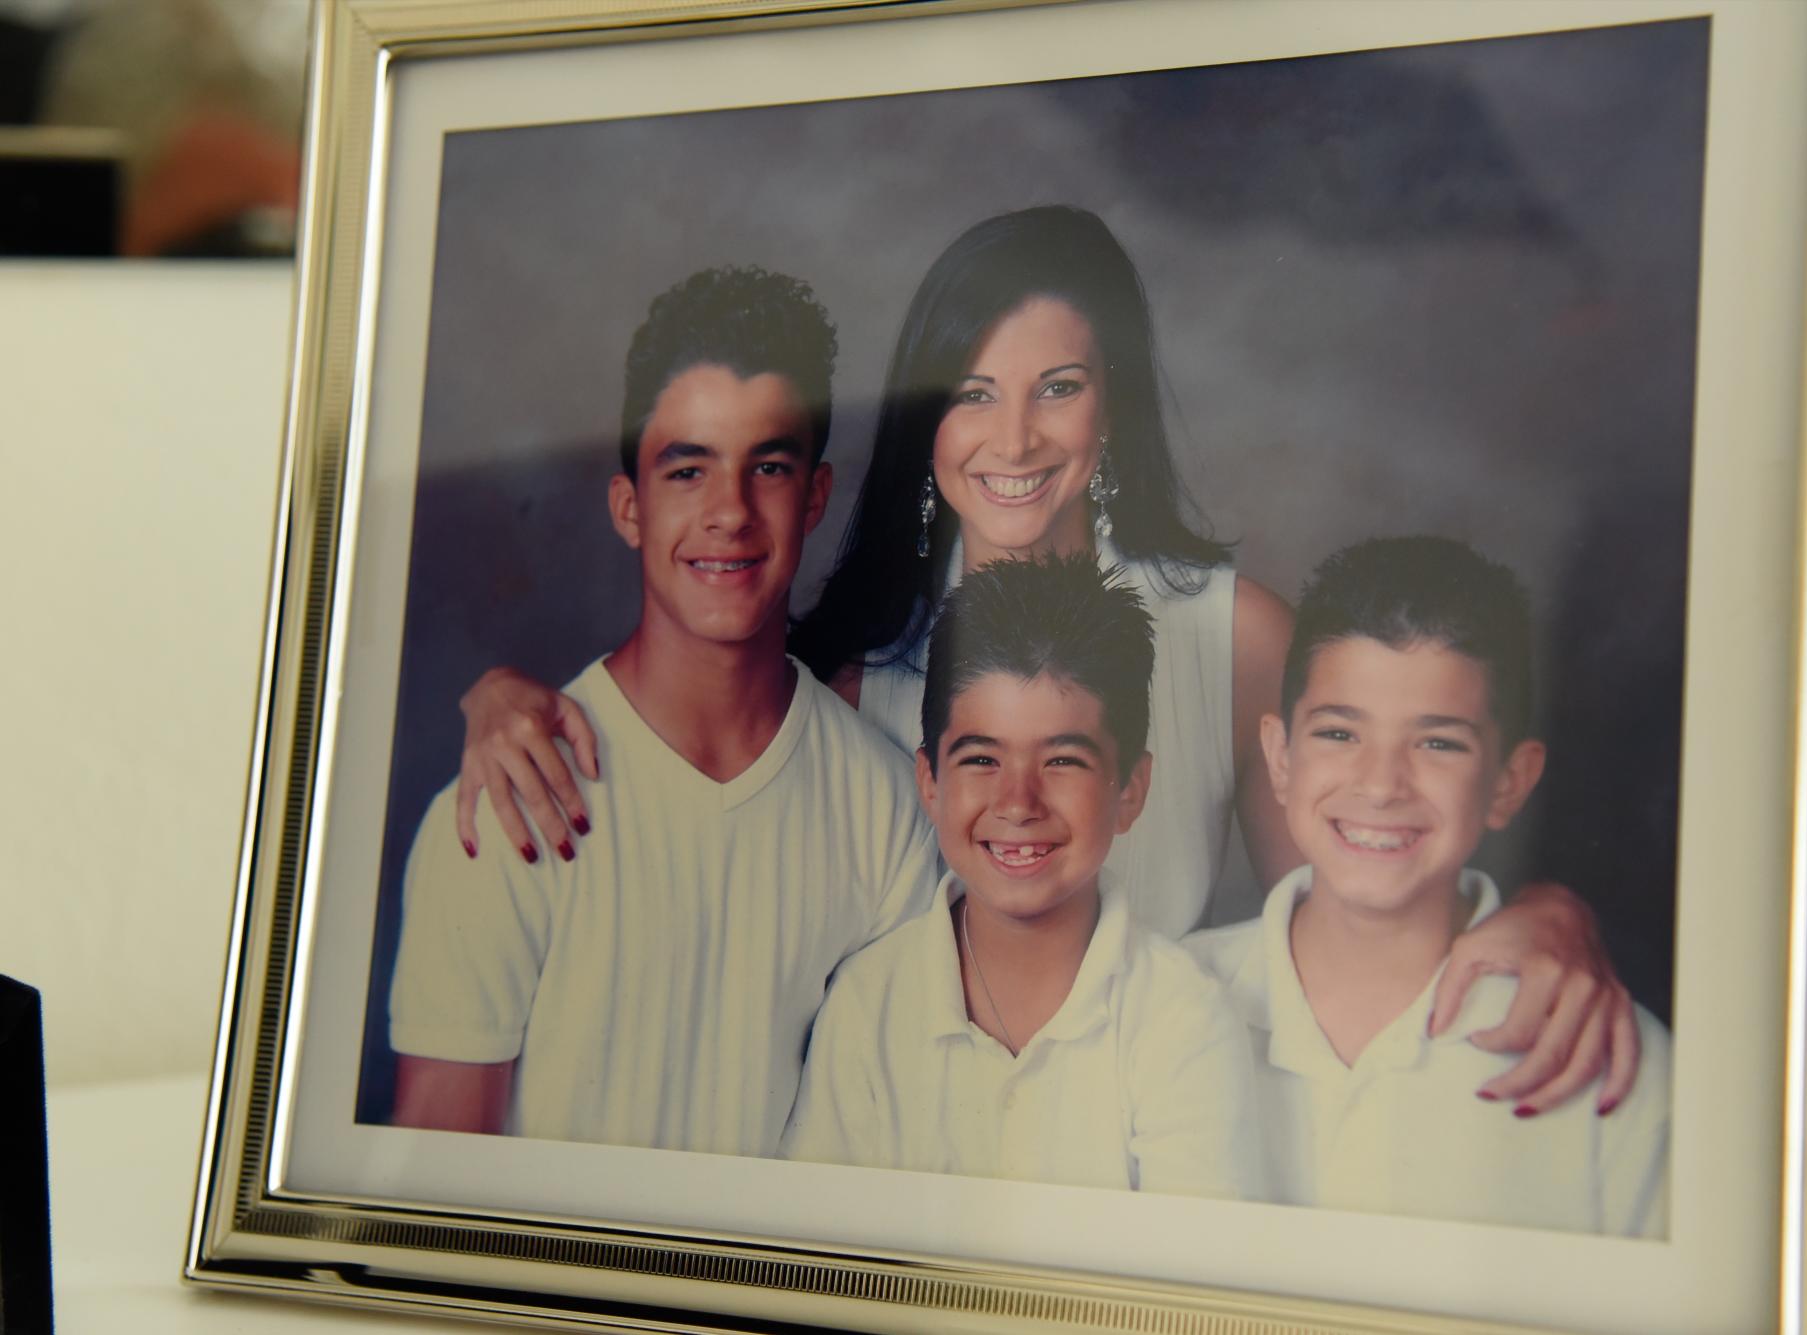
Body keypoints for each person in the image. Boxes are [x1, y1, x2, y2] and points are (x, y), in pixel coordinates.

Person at [447, 206, 1640, 1113]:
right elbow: (680, 763)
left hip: (1161, 1135)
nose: (1013, 439)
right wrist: (497, 698)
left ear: (1109, 407)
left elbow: (1360, 920)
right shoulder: (852, 672)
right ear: (930, 425)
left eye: (1056, 389)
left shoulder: (1235, 636)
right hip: (915, 1155)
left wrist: (1545, 910)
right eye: (972, 394)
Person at [385, 267, 937, 1152]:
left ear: (817, 498)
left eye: (768, 467)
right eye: (689, 470)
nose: (729, 513)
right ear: (629, 508)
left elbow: (890, 1139)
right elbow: (429, 1182)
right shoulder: (510, 800)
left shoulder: (883, 809)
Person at [1186, 538, 1670, 1233]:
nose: (1382, 784)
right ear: (1280, 756)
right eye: (1339, 733)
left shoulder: (1613, 1060)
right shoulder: (1160, 1003)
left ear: (1509, 782)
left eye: (1438, 742)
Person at [783, 553, 1261, 1198]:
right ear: (930, 782)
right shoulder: (868, 1005)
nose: (1017, 802)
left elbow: (1185, 1288)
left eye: (1063, 759)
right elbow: (819, 1255)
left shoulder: (1183, 1019)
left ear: (1130, 790)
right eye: (981, 758)